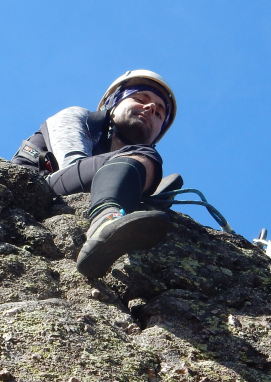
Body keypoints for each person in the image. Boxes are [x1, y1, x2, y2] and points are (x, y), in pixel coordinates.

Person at [12, 70, 183, 278]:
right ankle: (105, 219)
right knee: (144, 158)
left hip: (78, 180)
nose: (150, 108)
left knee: (148, 161)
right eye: (140, 98)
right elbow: (71, 165)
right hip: (37, 188)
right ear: (112, 103)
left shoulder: (142, 157)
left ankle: (132, 198)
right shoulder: (80, 118)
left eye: (158, 113)